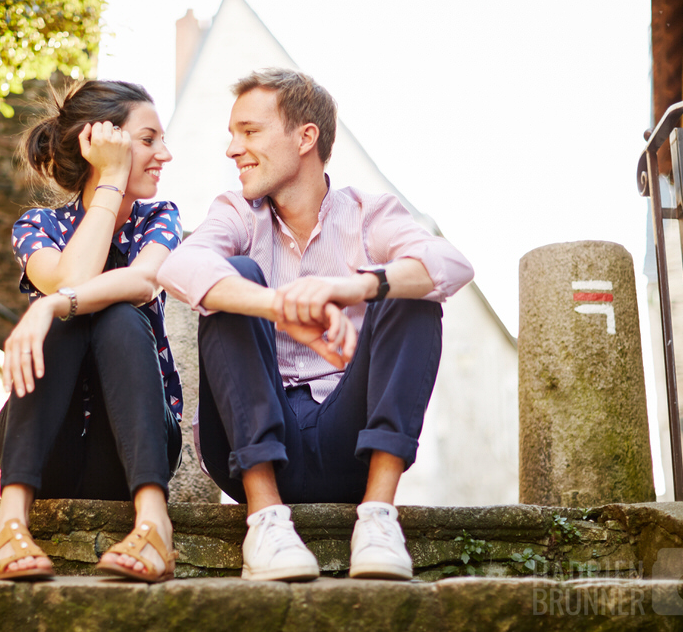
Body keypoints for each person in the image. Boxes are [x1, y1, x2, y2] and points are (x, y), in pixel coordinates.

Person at [157, 68, 474, 583]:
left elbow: (453, 265)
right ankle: (264, 520)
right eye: (233, 133)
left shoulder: (371, 214)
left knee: (410, 288)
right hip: (251, 444)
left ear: (306, 137)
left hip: (349, 442)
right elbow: (178, 267)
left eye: (250, 131)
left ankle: (376, 517)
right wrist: (276, 305)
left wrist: (351, 287)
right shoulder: (238, 212)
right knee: (232, 275)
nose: (232, 148)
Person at [0, 80, 184, 583]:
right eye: (148, 139)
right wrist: (111, 177)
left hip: (128, 451)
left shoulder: (160, 217)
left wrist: (50, 303)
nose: (165, 153)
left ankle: (154, 524)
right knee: (69, 314)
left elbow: (141, 281)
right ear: (101, 145)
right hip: (45, 446)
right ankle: (9, 522)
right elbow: (74, 277)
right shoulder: (38, 226)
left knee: (112, 311)